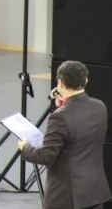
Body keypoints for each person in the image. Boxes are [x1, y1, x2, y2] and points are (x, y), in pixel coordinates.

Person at [18, 61, 111, 209]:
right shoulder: (100, 107)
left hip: (67, 197)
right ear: (86, 80)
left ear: (60, 82)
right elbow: (77, 129)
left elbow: (46, 156)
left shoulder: (60, 116)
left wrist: (25, 147)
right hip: (94, 192)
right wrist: (61, 104)